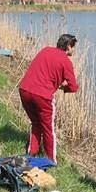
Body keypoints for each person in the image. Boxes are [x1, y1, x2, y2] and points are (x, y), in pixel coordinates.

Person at [18, 34, 79, 164]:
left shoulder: (45, 50)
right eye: (74, 47)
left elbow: (42, 70)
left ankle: (32, 153)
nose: (74, 50)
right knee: (48, 128)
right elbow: (74, 87)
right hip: (43, 96)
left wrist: (57, 82)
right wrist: (63, 87)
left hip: (24, 89)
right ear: (69, 46)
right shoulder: (66, 61)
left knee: (35, 122)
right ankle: (51, 160)